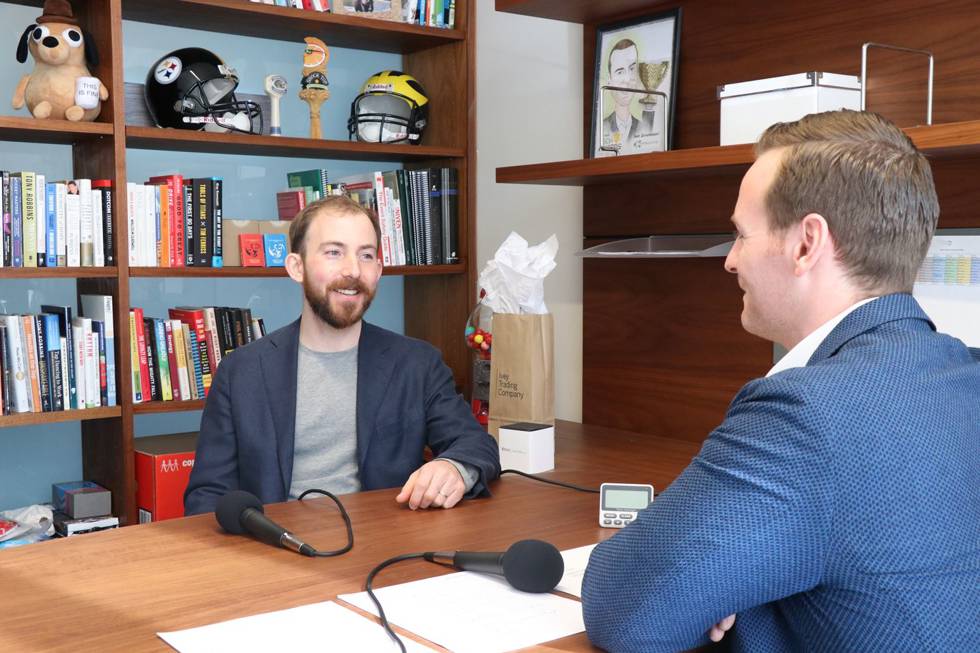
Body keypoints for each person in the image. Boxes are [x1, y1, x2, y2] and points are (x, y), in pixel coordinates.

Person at [581, 110, 980, 652]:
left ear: (805, 244)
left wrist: (730, 588)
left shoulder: (804, 414)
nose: (730, 260)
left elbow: (622, 607)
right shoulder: (966, 376)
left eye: (741, 235)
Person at [184, 195, 500, 515]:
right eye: (334, 252)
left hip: (385, 546)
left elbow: (476, 445)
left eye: (366, 255)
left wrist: (453, 468)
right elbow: (207, 495)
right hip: (273, 548)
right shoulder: (241, 372)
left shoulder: (417, 364)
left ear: (378, 270)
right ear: (297, 266)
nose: (352, 270)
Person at [600, 38, 641, 154]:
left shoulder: (646, 128)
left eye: (632, 68)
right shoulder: (601, 130)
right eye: (620, 72)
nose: (627, 79)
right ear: (609, 80)